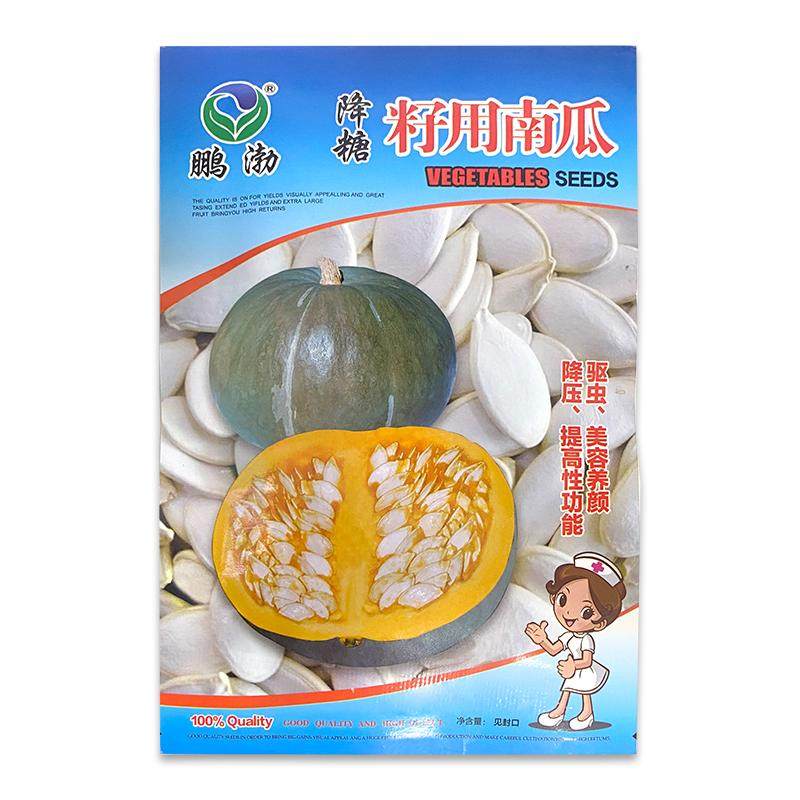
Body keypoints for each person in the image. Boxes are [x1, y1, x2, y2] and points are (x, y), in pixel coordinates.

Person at [525, 552, 626, 731]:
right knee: (569, 688)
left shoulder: (586, 639)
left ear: (600, 623)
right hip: (571, 667)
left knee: (583, 691)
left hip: (584, 669)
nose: (569, 613)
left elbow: (587, 660)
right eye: (563, 599)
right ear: (554, 597)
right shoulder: (568, 636)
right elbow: (554, 649)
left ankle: (586, 714)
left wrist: (574, 665)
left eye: (587, 612)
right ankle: (559, 712)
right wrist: (542, 639)